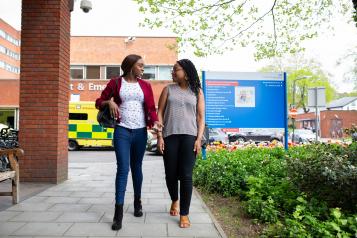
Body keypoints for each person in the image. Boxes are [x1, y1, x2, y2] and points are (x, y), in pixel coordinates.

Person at [95, 54, 162, 231]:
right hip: (122, 130)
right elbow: (98, 101)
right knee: (123, 169)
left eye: (143, 66)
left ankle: (137, 202)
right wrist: (109, 102)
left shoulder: (145, 86)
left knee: (137, 168)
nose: (143, 68)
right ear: (131, 66)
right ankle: (118, 213)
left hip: (140, 132)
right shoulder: (116, 83)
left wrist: (155, 122)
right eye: (140, 65)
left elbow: (151, 109)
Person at [157, 59, 205, 228]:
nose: (173, 72)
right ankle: (174, 200)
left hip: (189, 137)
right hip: (170, 136)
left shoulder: (197, 91)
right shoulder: (168, 89)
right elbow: (160, 112)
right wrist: (160, 136)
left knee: (186, 176)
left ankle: (184, 214)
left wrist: (199, 139)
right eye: (172, 69)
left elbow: (200, 117)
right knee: (170, 174)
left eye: (176, 69)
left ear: (186, 71)